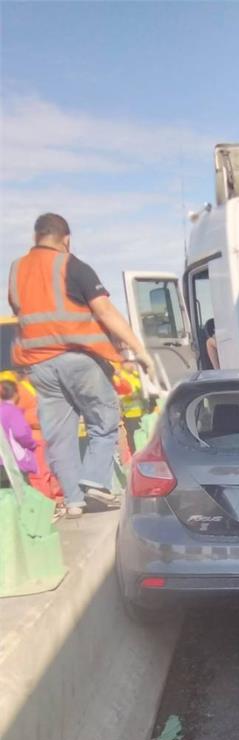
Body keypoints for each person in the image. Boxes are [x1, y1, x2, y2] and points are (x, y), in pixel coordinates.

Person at [7, 212, 157, 515]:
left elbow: (16, 305)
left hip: (39, 365)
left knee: (58, 434)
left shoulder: (16, 269)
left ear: (36, 237)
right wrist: (139, 349)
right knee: (103, 421)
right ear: (67, 239)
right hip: (78, 357)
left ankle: (74, 501)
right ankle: (94, 482)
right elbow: (104, 311)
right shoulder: (71, 265)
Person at [0, 370, 62, 501]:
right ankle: (56, 498)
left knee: (39, 473)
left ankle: (47, 502)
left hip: (34, 437)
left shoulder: (20, 391)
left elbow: (21, 426)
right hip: (45, 432)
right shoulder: (34, 386)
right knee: (49, 470)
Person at [0, 379, 38, 486]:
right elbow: (21, 433)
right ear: (16, 394)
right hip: (13, 460)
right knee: (23, 493)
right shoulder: (13, 411)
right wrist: (31, 444)